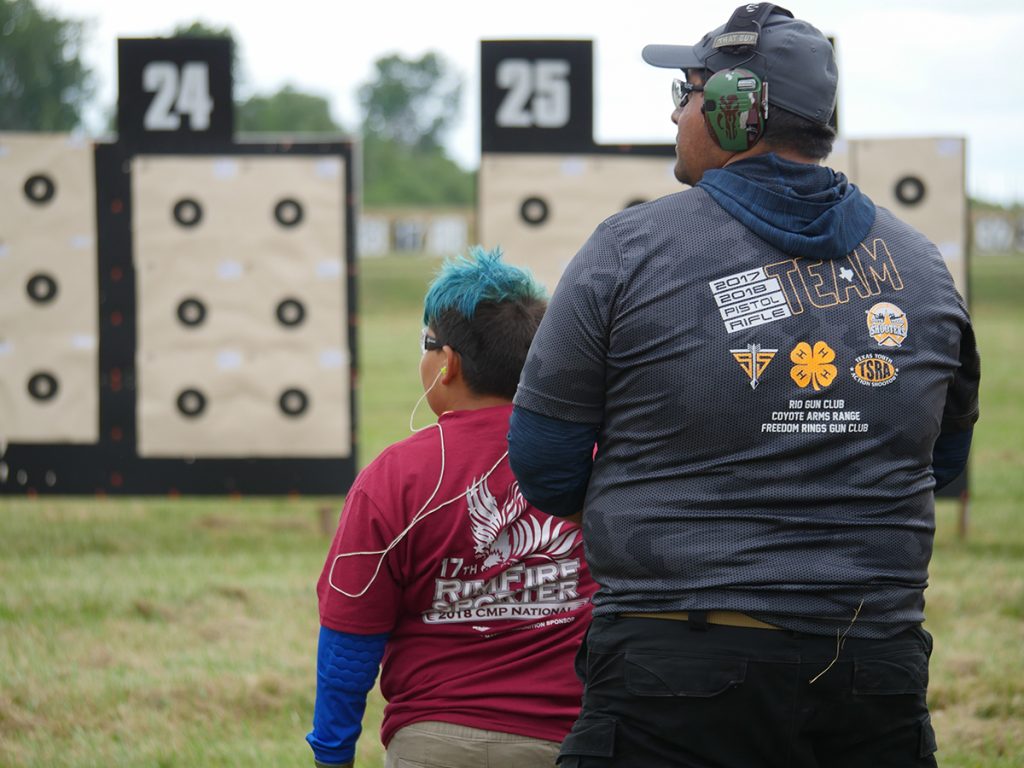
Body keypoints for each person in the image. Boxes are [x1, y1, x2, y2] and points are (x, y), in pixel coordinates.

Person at [507, 5, 980, 767]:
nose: (676, 113)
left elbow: (545, 465)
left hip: (674, 673)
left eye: (686, 92)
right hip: (873, 668)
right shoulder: (923, 267)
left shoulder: (627, 250)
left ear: (736, 108)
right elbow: (941, 462)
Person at [307, 246, 597, 768]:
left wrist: (332, 755)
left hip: (431, 746)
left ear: (448, 363)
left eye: (427, 343)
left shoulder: (393, 476)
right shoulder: (593, 459)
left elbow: (350, 638)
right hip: (568, 743)